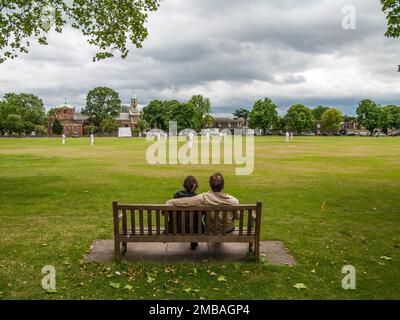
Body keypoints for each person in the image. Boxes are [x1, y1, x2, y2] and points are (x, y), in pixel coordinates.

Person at [166, 173, 239, 235]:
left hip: (212, 230)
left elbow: (186, 201)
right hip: (228, 230)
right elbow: (237, 217)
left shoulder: (204, 197)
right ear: (223, 185)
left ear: (210, 185)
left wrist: (170, 202)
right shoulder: (234, 201)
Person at [168, 176, 203, 250]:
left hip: (176, 228)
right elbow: (200, 215)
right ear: (196, 186)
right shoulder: (197, 198)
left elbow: (170, 213)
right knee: (195, 220)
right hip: (194, 229)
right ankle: (193, 240)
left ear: (184, 185)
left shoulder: (176, 196)